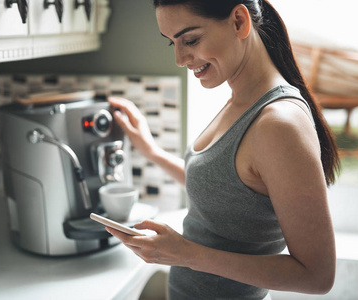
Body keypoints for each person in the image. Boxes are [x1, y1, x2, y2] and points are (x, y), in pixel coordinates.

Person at [106, 0, 340, 299]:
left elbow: (317, 276)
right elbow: (225, 189)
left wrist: (185, 254)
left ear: (239, 21)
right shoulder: (240, 99)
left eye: (190, 40)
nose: (179, 58)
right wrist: (152, 151)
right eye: (172, 43)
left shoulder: (278, 124)